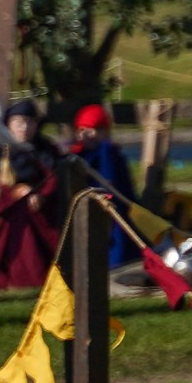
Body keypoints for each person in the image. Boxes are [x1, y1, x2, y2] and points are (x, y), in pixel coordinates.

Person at [0, 98, 62, 295]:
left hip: (43, 206)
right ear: (9, 125)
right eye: (19, 122)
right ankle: (12, 277)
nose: (24, 127)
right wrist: (17, 191)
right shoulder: (4, 152)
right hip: (12, 206)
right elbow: (2, 181)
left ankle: (41, 275)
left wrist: (41, 195)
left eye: (29, 122)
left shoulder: (46, 149)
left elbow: (53, 178)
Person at [67, 103, 140, 267]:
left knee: (118, 237)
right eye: (85, 130)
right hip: (83, 206)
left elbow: (114, 182)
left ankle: (117, 265)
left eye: (97, 130)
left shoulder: (112, 154)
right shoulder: (75, 156)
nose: (91, 135)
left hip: (113, 206)